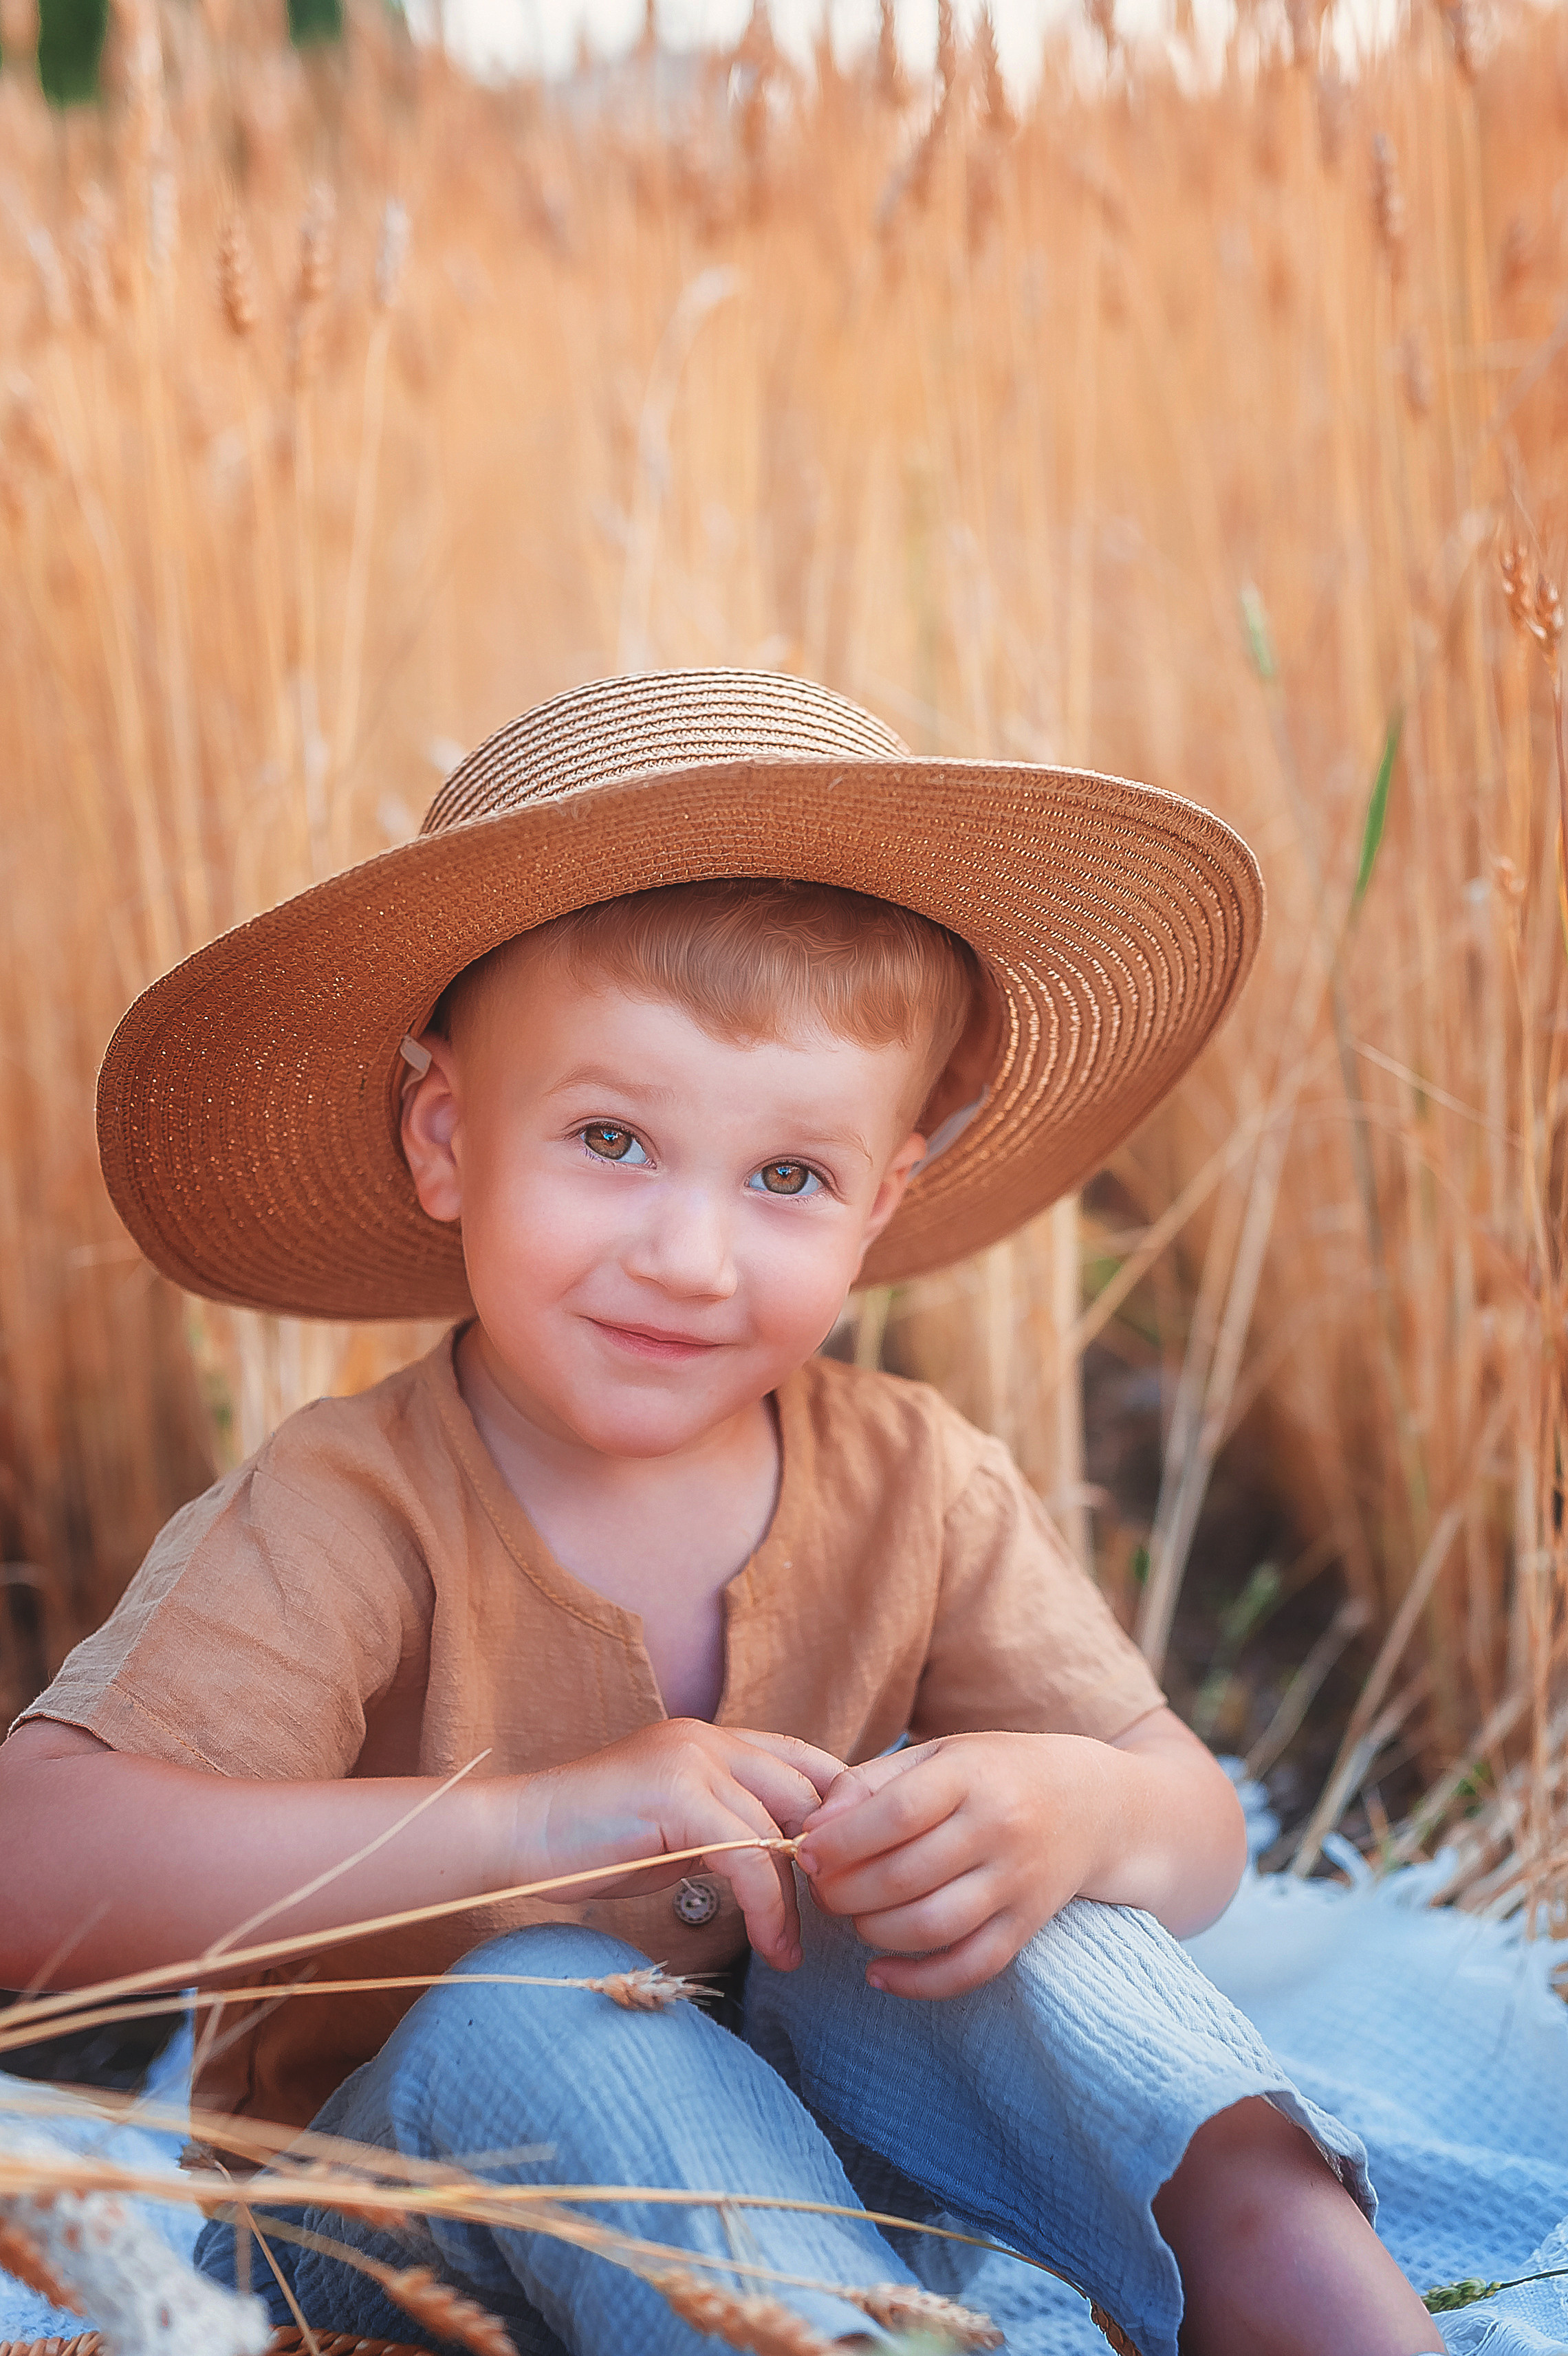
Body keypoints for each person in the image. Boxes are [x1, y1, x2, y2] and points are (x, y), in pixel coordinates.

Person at [0, 672, 1443, 2356]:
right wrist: (536, 1830)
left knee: (1044, 1930)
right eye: (612, 1137)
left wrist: (1070, 1816)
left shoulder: (916, 1480)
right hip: (382, 2252)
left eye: (788, 1177)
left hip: (842, 2210)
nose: (691, 1257)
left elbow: (1199, 1826)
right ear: (447, 1135)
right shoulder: (351, 1505)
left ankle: (1319, 2313)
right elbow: (37, 1862)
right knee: (544, 1998)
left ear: (884, 1196)